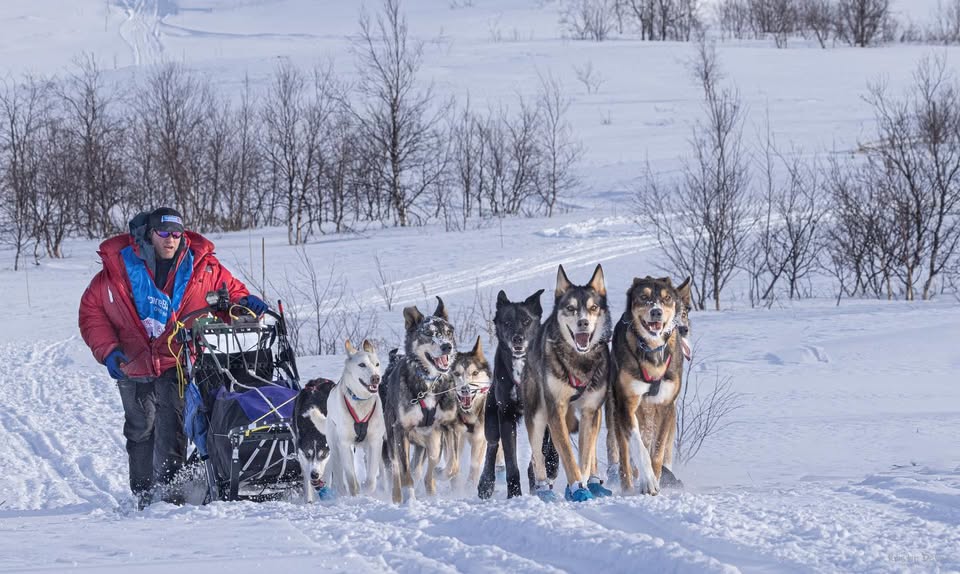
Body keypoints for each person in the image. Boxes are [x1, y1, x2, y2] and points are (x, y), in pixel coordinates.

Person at [78, 207, 268, 508]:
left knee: (172, 428)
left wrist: (245, 301)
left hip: (176, 362)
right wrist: (109, 350)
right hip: (132, 363)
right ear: (149, 235)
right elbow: (92, 313)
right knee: (141, 428)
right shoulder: (119, 270)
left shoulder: (202, 267)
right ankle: (143, 493)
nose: (170, 240)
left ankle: (170, 495)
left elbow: (231, 292)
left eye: (177, 234)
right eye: (163, 233)